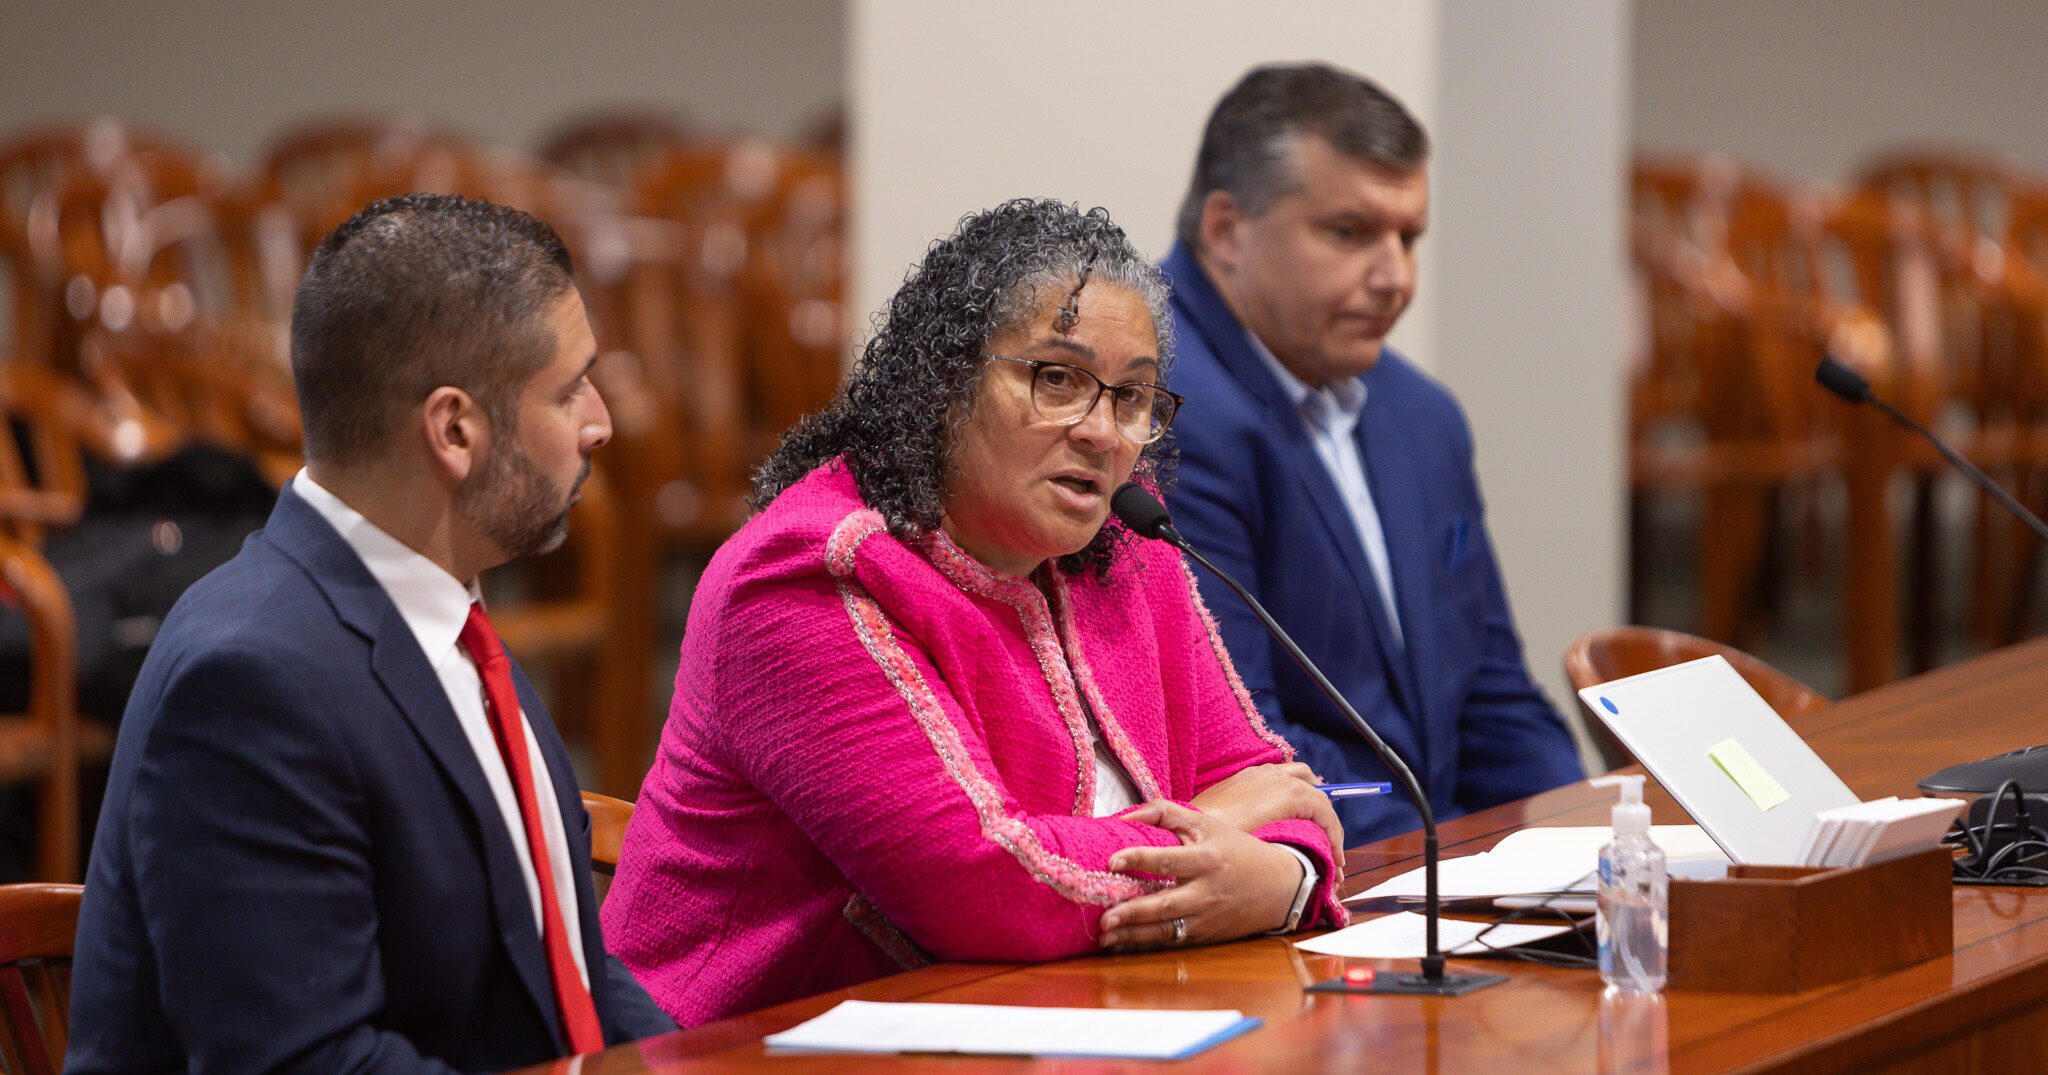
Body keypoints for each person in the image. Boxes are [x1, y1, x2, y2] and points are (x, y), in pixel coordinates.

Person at [603, 198, 1348, 1026]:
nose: (1102, 432)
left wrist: (1287, 883)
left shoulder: (1129, 550)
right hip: (758, 1046)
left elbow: (1284, 797)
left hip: (1064, 1022)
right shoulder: (807, 576)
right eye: (1057, 379)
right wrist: (1214, 832)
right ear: (946, 378)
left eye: (1134, 396)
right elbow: (982, 884)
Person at [66, 193, 675, 1073]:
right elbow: (307, 1062)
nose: (600, 423)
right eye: (570, 387)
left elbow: (569, 975)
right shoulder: (249, 683)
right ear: (455, 430)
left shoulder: (444, 616)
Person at [1161, 63, 1583, 845]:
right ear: (1226, 230)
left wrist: (1584, 842)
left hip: (1439, 864)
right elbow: (1243, 746)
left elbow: (1493, 695)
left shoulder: (1422, 415)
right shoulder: (1158, 404)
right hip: (1317, 888)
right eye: (1350, 232)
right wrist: (1449, 864)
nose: (1395, 277)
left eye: (1409, 237)